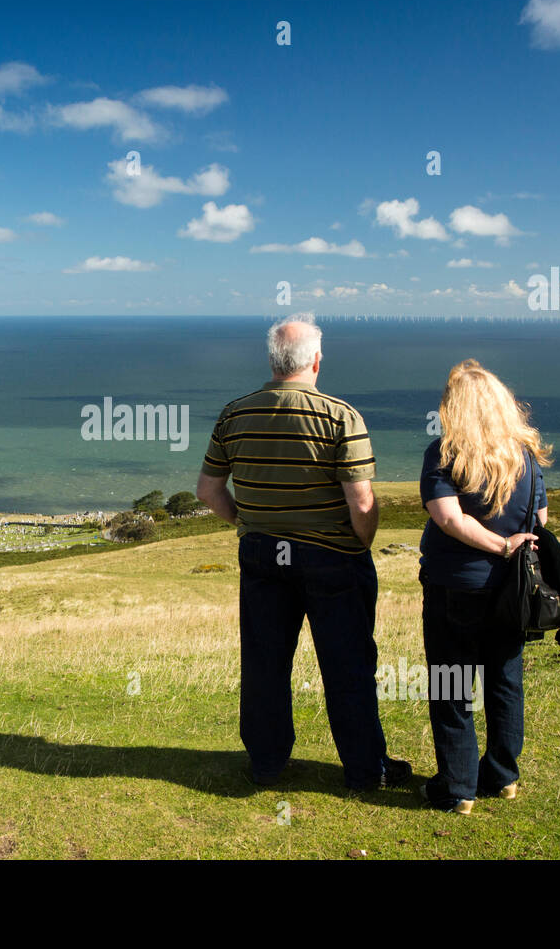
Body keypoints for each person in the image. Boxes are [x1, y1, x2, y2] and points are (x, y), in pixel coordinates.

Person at [196, 313, 411, 791]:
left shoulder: (235, 413)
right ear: (315, 360)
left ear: (273, 361)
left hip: (261, 556)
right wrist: (360, 543)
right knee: (349, 665)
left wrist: (248, 524)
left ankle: (267, 764)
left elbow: (208, 490)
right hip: (332, 557)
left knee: (264, 664)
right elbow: (362, 500)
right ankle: (365, 769)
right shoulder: (339, 415)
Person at [417, 359, 552, 814]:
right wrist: (512, 542)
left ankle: (458, 788)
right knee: (504, 680)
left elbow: (449, 519)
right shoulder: (527, 458)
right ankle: (502, 777)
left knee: (451, 685)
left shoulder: (442, 454)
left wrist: (499, 545)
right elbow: (541, 520)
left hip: (455, 587)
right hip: (510, 592)